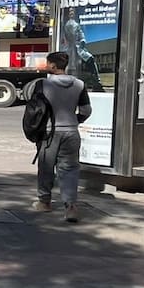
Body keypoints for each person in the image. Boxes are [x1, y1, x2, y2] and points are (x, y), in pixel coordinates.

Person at [33, 51, 92, 224]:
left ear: (52, 65)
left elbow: (36, 111)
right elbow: (86, 110)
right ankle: (71, 206)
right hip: (72, 132)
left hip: (49, 133)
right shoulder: (79, 84)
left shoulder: (43, 84)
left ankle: (44, 202)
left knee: (46, 167)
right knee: (69, 169)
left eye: (47, 63)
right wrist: (75, 121)